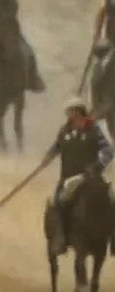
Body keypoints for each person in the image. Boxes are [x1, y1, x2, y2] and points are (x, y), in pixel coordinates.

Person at [42, 98, 113, 256]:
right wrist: (48, 156)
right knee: (57, 203)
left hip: (91, 178)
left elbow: (108, 151)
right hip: (68, 178)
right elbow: (57, 146)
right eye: (70, 112)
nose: (72, 115)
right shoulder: (65, 131)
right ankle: (61, 238)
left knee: (112, 200)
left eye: (75, 111)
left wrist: (96, 166)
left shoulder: (94, 130)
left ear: (82, 112)